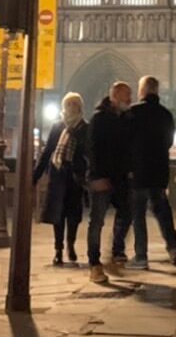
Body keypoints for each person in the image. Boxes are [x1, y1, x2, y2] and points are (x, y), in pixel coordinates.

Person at [125, 75, 176, 269]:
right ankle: (173, 248)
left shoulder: (132, 113)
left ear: (143, 90)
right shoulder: (165, 115)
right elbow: (169, 142)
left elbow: (125, 142)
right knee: (162, 211)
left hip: (138, 172)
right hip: (159, 171)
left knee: (138, 215)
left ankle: (141, 256)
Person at [85, 81, 134, 284]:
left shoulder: (127, 119)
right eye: (126, 96)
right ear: (114, 96)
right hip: (102, 177)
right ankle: (94, 263)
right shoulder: (98, 119)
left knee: (127, 213)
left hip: (121, 177)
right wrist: (96, 176)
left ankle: (116, 252)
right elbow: (91, 148)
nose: (130, 100)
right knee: (97, 221)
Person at [33, 92, 89, 266]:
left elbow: (88, 153)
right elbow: (48, 151)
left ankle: (70, 245)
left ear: (80, 107)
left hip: (74, 178)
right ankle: (58, 249)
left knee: (73, 215)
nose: (71, 107)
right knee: (58, 214)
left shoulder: (84, 128)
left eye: (75, 104)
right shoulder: (57, 127)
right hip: (57, 175)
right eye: (69, 104)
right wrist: (35, 176)